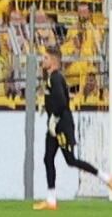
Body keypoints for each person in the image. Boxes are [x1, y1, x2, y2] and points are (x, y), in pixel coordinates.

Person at [36, 62, 105, 204]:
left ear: (53, 61)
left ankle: (105, 177)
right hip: (54, 125)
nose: (43, 60)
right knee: (48, 159)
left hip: (61, 125)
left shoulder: (56, 78)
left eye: (46, 58)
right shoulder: (52, 78)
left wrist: (54, 118)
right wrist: (46, 106)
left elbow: (62, 102)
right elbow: (57, 98)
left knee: (70, 160)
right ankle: (51, 199)